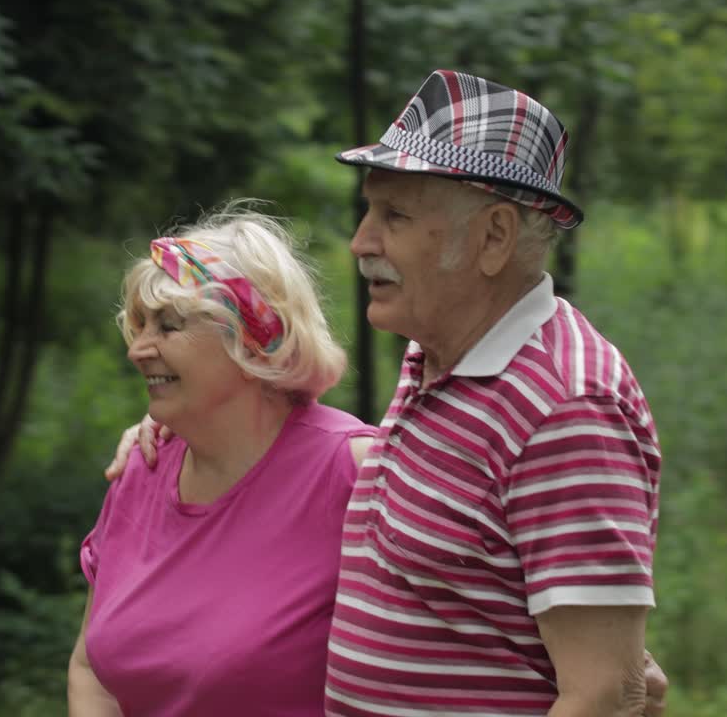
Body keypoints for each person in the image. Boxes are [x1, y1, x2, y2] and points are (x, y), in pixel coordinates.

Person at [105, 71, 669, 716]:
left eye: (394, 215)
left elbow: (606, 691)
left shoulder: (566, 409)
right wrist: (189, 431)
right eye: (369, 210)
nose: (361, 242)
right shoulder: (438, 359)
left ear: (494, 237)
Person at [68, 207, 381, 716]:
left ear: (254, 338)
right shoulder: (142, 468)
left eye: (168, 326)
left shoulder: (353, 471)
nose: (138, 350)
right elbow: (91, 671)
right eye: (139, 326)